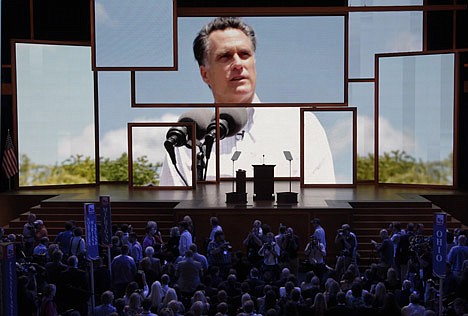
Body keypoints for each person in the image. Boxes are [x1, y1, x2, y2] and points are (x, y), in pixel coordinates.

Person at [159, 16, 335, 186]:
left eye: (244, 54)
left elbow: (322, 204)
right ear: (205, 74)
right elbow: (174, 210)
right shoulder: (186, 140)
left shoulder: (300, 125)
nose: (238, 64)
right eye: (225, 56)